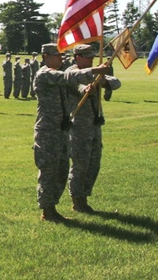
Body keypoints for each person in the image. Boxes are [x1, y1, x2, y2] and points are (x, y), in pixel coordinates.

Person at [33, 43, 110, 222]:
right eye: (57, 55)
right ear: (46, 57)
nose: (61, 58)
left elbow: (75, 84)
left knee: (61, 170)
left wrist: (90, 84)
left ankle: (53, 207)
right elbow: (67, 77)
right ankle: (47, 210)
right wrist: (94, 70)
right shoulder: (45, 74)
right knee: (49, 170)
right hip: (47, 131)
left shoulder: (60, 75)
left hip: (62, 129)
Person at [66, 44, 122, 214]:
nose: (91, 59)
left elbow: (116, 83)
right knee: (80, 163)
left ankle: (85, 195)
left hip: (94, 124)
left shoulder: (94, 73)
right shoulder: (71, 72)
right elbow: (76, 83)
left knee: (94, 163)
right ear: (78, 57)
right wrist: (87, 88)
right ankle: (77, 199)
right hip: (79, 126)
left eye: (92, 56)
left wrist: (102, 80)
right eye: (88, 56)